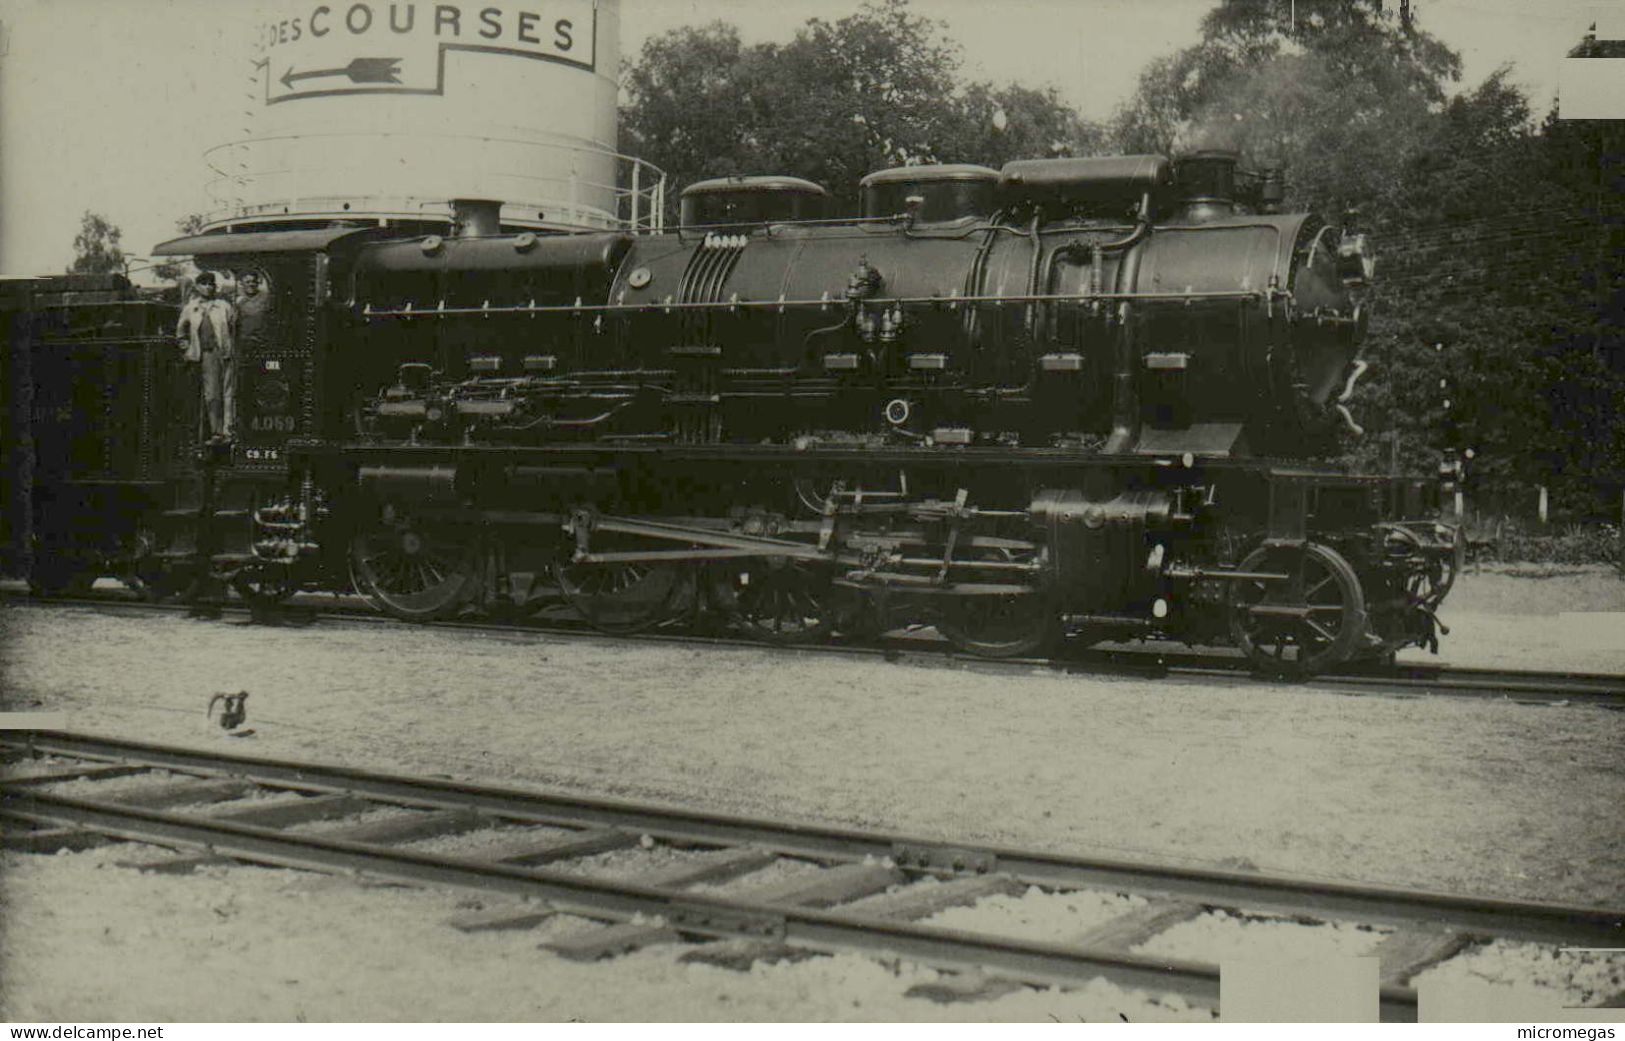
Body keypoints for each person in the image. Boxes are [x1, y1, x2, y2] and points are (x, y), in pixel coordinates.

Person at [176, 271, 238, 441]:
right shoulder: (191, 308)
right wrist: (188, 349)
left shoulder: (223, 306)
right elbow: (181, 333)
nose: (208, 287)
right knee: (212, 395)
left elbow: (234, 327)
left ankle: (229, 431)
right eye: (204, 284)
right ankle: (216, 431)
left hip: (224, 353)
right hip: (205, 355)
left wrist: (231, 348)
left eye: (211, 284)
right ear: (197, 286)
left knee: (229, 392)